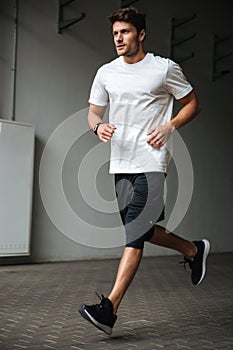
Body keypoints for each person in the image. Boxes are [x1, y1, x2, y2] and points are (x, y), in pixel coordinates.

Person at [79, 7, 210, 336]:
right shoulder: (106, 72)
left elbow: (193, 102)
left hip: (151, 161)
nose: (118, 39)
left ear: (141, 34)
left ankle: (109, 308)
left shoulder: (164, 69)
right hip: (120, 163)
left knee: (135, 232)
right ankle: (194, 250)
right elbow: (93, 114)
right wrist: (98, 128)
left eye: (124, 32)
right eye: (115, 34)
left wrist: (170, 126)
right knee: (143, 230)